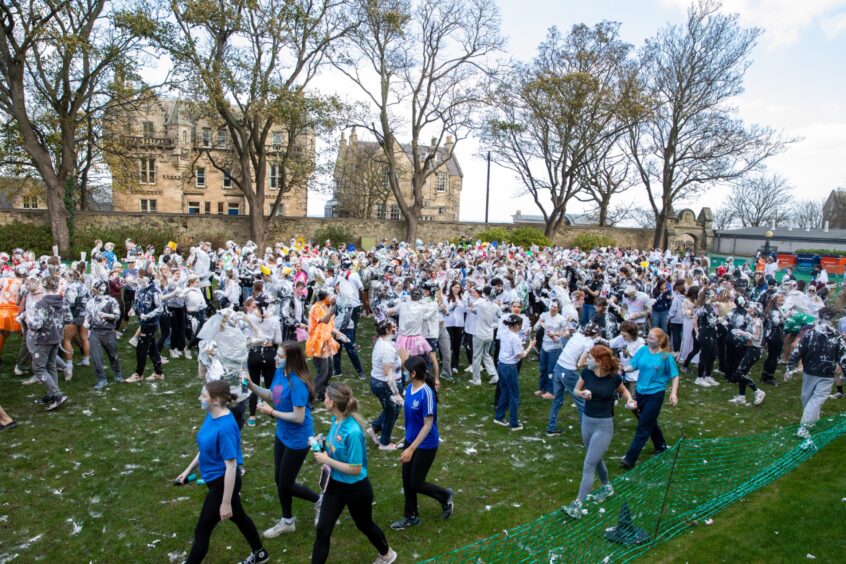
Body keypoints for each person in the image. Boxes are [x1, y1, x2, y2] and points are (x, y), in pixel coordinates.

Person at [175, 381, 269, 564]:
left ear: (216, 400)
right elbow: (205, 449)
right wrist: (187, 471)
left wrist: (225, 503)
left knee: (202, 531)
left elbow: (231, 466)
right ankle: (260, 554)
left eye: (203, 396)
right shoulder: (212, 415)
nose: (199, 398)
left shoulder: (225, 427)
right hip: (217, 480)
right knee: (239, 517)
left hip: (222, 483)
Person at [311, 383, 397, 564]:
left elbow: (355, 468)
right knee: (323, 529)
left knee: (364, 525)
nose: (323, 399)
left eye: (325, 397)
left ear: (333, 402)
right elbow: (337, 446)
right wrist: (324, 442)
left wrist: (327, 460)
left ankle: (387, 554)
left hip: (356, 489)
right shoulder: (337, 420)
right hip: (334, 485)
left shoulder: (353, 431)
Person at [248, 342, 321, 537]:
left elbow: (298, 417)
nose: (275, 358)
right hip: (282, 433)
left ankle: (319, 500)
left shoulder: (297, 383)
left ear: (292, 359)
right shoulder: (281, 372)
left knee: (285, 483)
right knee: (279, 479)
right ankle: (287, 521)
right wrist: (251, 385)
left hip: (299, 439)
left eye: (280, 356)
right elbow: (272, 395)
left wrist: (271, 413)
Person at [564, 345, 636, 519]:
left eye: (589, 357)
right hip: (586, 422)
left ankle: (577, 505)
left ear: (599, 361)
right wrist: (583, 394)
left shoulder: (613, 378)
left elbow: (625, 391)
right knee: (595, 460)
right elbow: (575, 390)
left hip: (603, 426)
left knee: (588, 465)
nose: (586, 360)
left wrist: (630, 400)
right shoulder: (587, 374)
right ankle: (607, 487)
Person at [390, 356, 454, 530]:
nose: (403, 374)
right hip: (411, 440)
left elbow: (427, 425)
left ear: (413, 373)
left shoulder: (427, 393)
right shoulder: (410, 389)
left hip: (426, 444)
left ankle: (445, 495)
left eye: (405, 371)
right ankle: (411, 516)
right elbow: (413, 420)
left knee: (416, 483)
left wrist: (411, 449)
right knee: (406, 479)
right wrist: (406, 439)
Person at [619, 328, 679, 470]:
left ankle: (629, 459)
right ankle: (661, 445)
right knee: (648, 420)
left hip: (655, 394)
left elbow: (675, 375)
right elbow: (633, 365)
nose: (648, 340)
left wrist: (673, 393)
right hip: (640, 392)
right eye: (648, 337)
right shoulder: (643, 350)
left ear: (659, 341)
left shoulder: (665, 356)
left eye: (651, 338)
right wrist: (623, 369)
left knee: (643, 426)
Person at [785, 307, 846, 439]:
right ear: (832, 318)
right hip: (823, 372)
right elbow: (843, 357)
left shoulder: (811, 333)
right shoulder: (836, 336)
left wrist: (789, 367)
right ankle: (810, 420)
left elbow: (797, 351)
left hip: (814, 372)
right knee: (808, 399)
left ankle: (804, 426)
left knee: (813, 399)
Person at [546, 323, 601, 436]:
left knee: (557, 400)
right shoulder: (589, 343)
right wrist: (594, 363)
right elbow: (580, 364)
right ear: (595, 334)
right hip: (568, 371)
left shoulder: (577, 335)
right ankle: (586, 435)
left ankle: (551, 428)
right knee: (582, 402)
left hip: (558, 367)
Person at [26, 276, 70, 411]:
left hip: (43, 339)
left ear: (44, 287)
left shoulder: (41, 304)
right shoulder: (63, 302)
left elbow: (36, 325)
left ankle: (56, 394)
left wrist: (29, 321)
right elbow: (69, 319)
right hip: (56, 337)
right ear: (57, 287)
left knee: (39, 368)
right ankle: (52, 394)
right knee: (51, 366)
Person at [493, 314, 535, 431]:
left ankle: (499, 416)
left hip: (501, 365)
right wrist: (530, 347)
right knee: (514, 395)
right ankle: (514, 422)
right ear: (516, 325)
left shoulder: (504, 333)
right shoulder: (514, 338)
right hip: (510, 367)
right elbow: (521, 355)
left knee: (505, 391)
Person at [367, 320, 404, 451]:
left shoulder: (385, 342)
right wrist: (396, 394)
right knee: (391, 413)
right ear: (387, 331)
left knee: (391, 409)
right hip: (384, 385)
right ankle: (384, 443)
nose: (396, 328)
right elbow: (388, 374)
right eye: (394, 327)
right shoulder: (386, 349)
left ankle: (374, 428)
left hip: (383, 382)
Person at [305, 289, 344, 402]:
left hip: (326, 341)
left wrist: (340, 334)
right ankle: (307, 397)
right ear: (324, 297)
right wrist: (332, 306)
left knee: (330, 370)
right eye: (330, 295)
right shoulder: (316, 308)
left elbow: (329, 326)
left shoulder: (325, 307)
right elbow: (325, 320)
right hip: (318, 343)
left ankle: (321, 393)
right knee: (322, 373)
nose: (332, 297)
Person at [84, 279, 123, 390]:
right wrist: (86, 322)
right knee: (96, 357)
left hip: (109, 331)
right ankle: (101, 379)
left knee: (113, 354)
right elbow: (88, 315)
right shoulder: (90, 301)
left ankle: (117, 372)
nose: (93, 289)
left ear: (101, 289)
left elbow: (117, 315)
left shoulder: (111, 300)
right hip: (95, 332)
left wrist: (106, 315)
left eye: (95, 287)